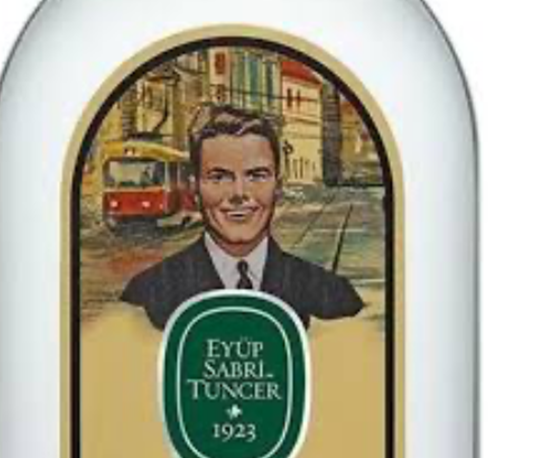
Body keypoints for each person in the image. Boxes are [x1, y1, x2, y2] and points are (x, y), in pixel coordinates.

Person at [120, 105, 364, 330]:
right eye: (219, 177)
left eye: (256, 176)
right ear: (194, 189)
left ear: (278, 186)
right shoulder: (146, 295)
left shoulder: (334, 295)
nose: (239, 193)